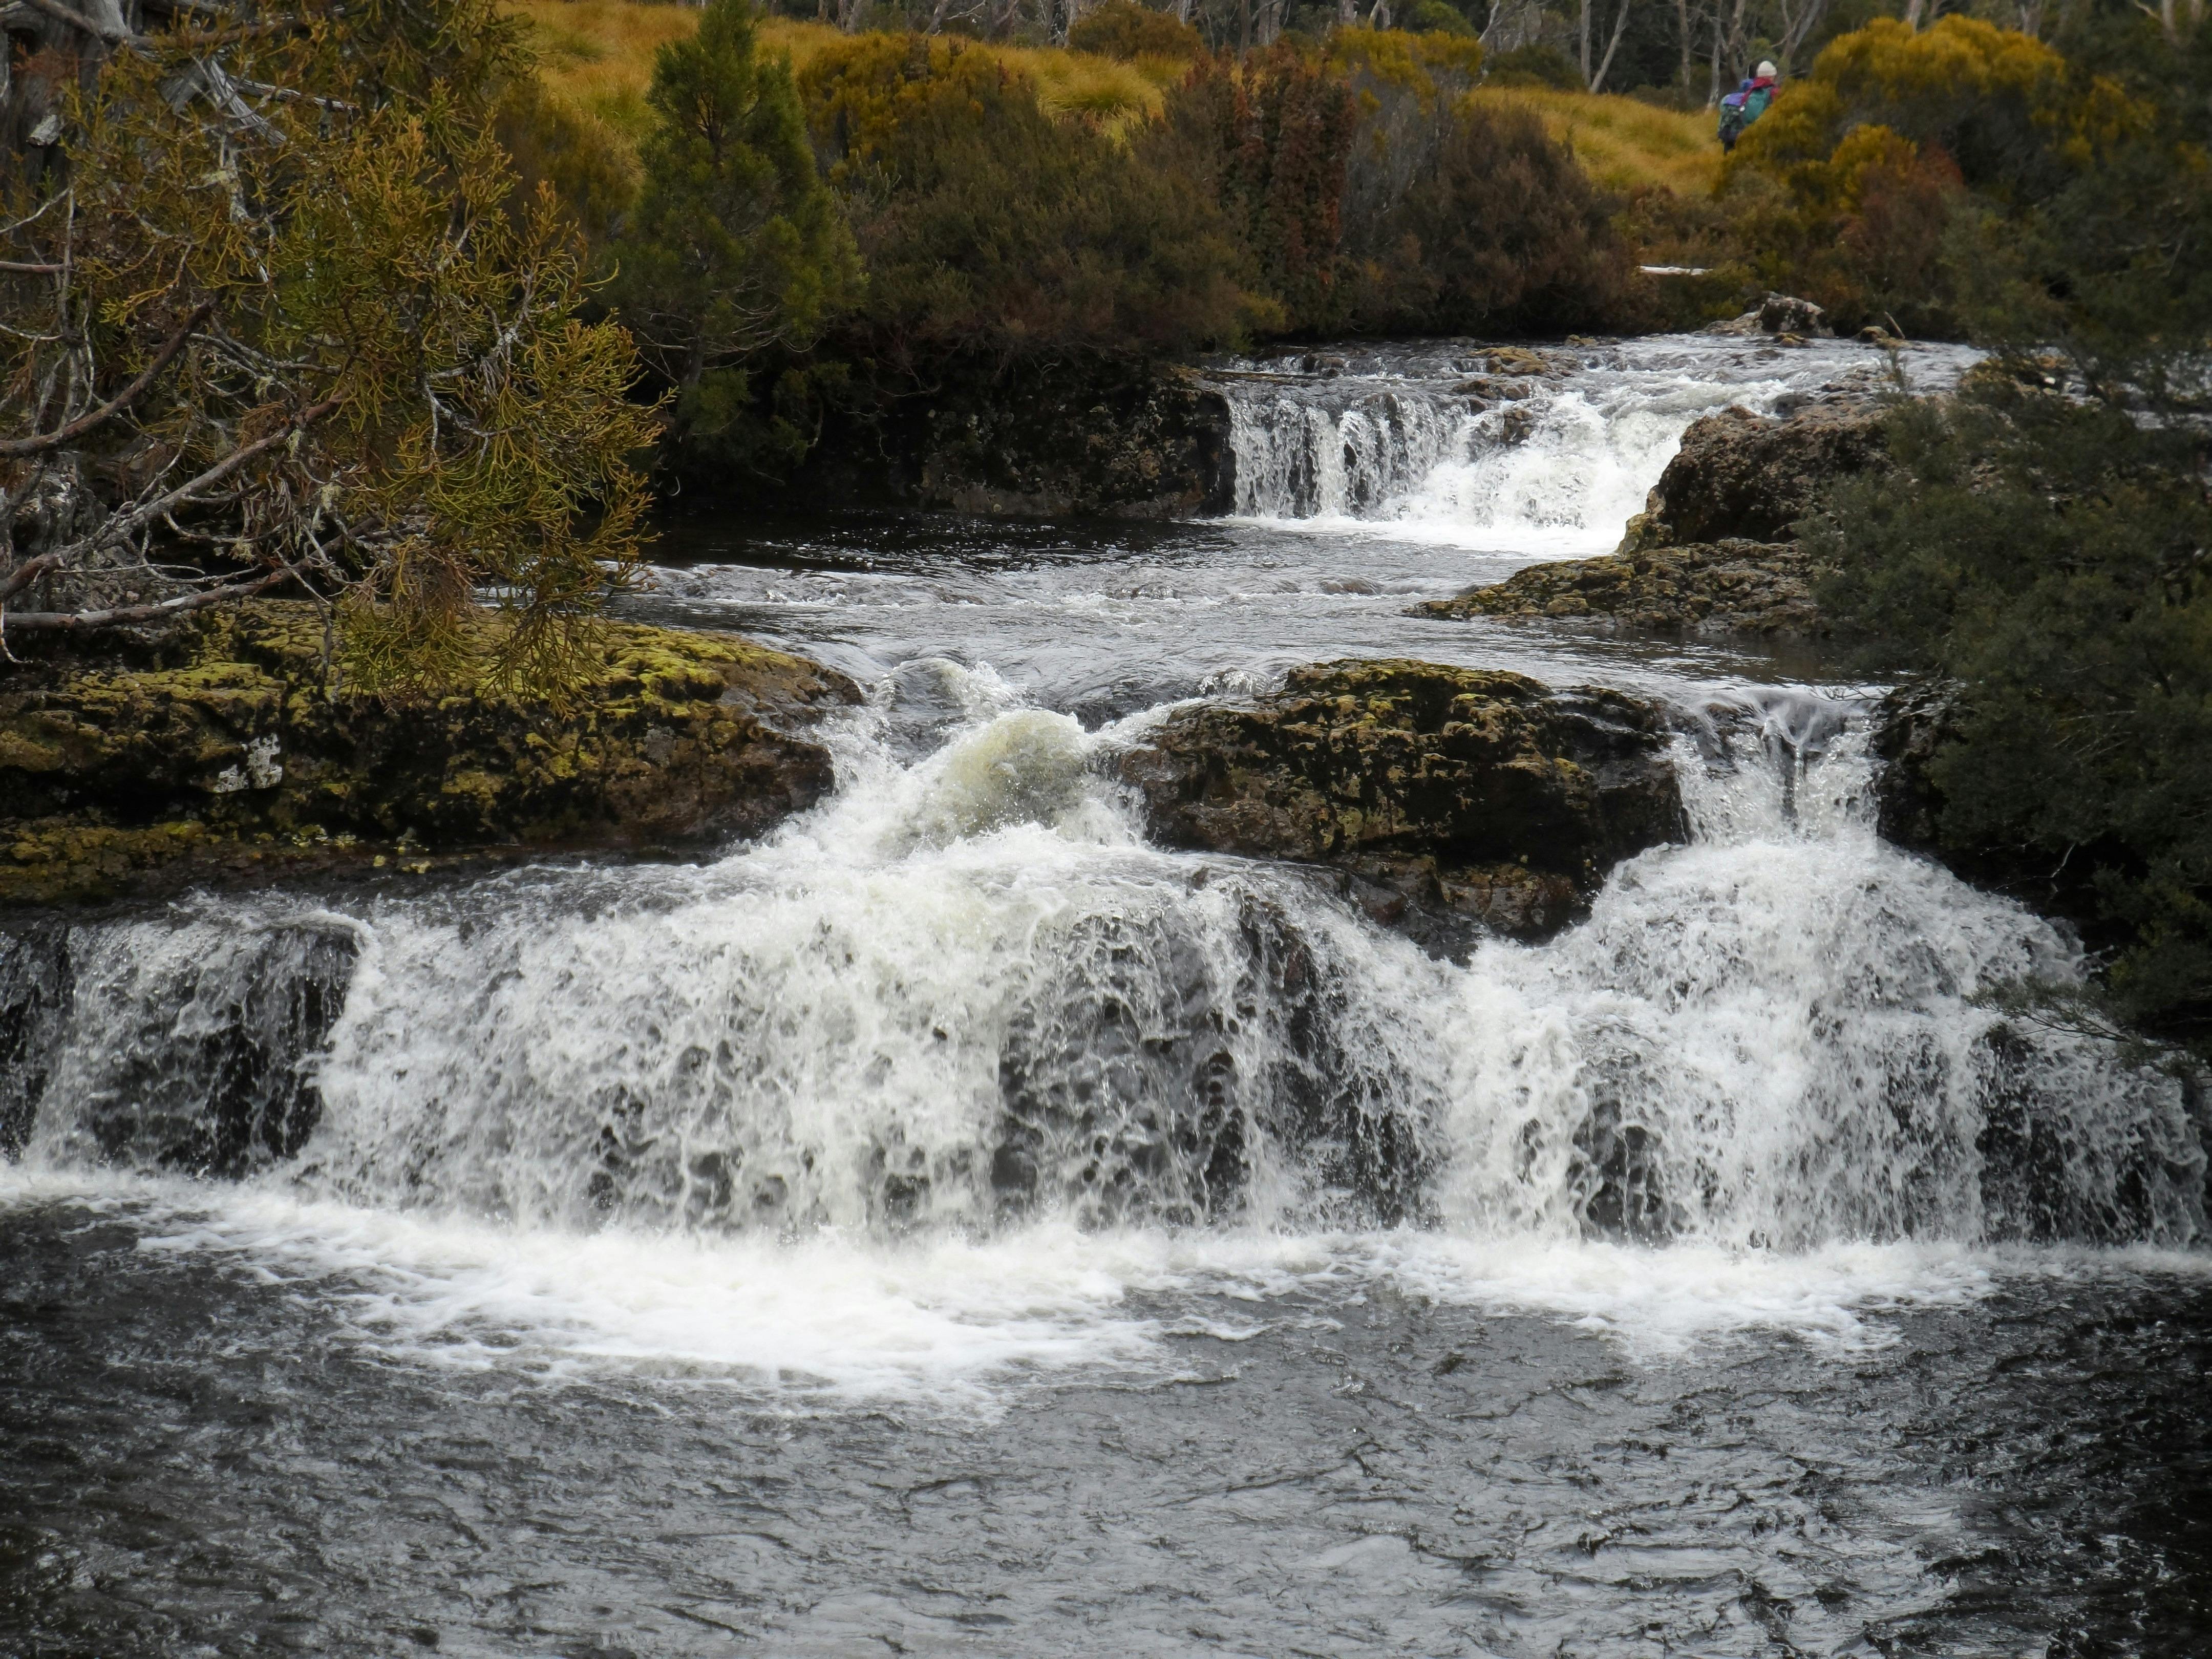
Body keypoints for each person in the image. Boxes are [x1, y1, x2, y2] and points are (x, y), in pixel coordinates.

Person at [1717, 60, 1778, 153]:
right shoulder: (1773, 92)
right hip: (1753, 140)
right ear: (1771, 77)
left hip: (1731, 135)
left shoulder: (1749, 89)